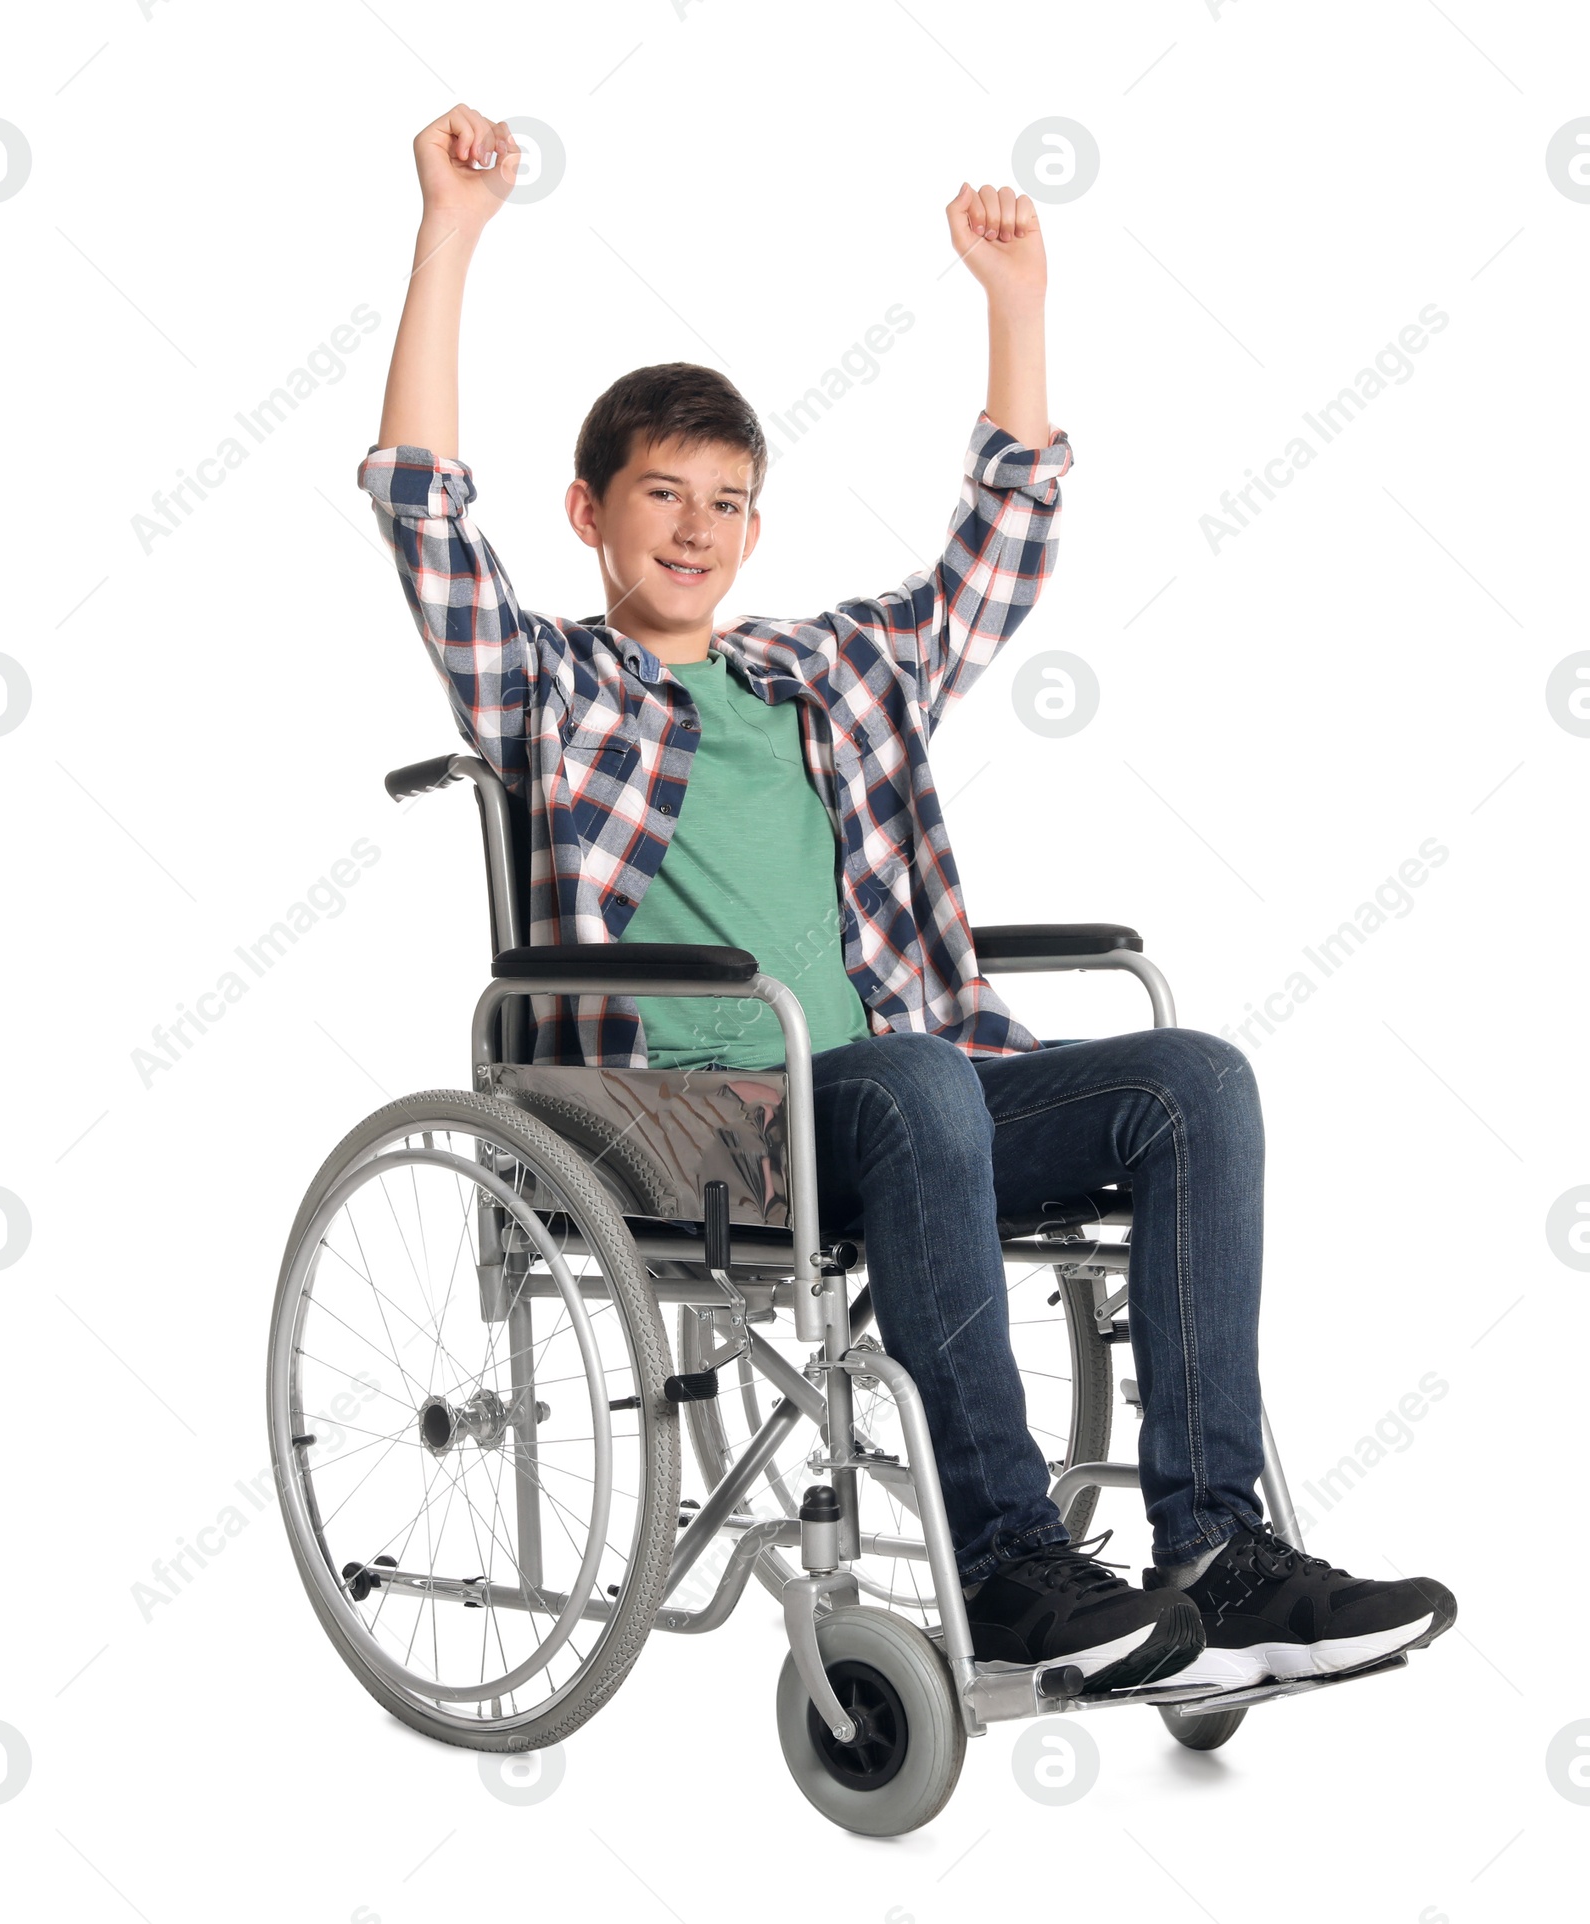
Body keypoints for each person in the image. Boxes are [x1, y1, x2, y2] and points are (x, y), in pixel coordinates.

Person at [360, 104, 1456, 1694]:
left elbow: (1000, 549)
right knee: (923, 1078)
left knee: (1194, 1080)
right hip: (688, 1121)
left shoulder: (832, 673)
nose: (698, 530)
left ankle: (1217, 1545)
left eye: (728, 502)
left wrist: (1017, 306)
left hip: (891, 1095)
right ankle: (1006, 1560)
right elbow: (419, 505)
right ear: (591, 512)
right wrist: (448, 230)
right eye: (663, 496)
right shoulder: (554, 690)